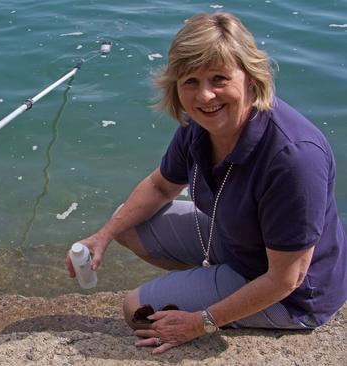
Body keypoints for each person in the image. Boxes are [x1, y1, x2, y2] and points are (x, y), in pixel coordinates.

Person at [66, 12, 346, 353]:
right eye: (191, 82)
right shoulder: (200, 127)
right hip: (239, 244)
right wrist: (103, 236)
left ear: (250, 78)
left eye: (219, 79)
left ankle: (221, 293)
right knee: (126, 221)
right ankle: (212, 282)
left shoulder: (294, 158)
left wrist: (201, 321)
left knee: (136, 311)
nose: (205, 96)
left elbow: (287, 278)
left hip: (294, 295)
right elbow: (160, 187)